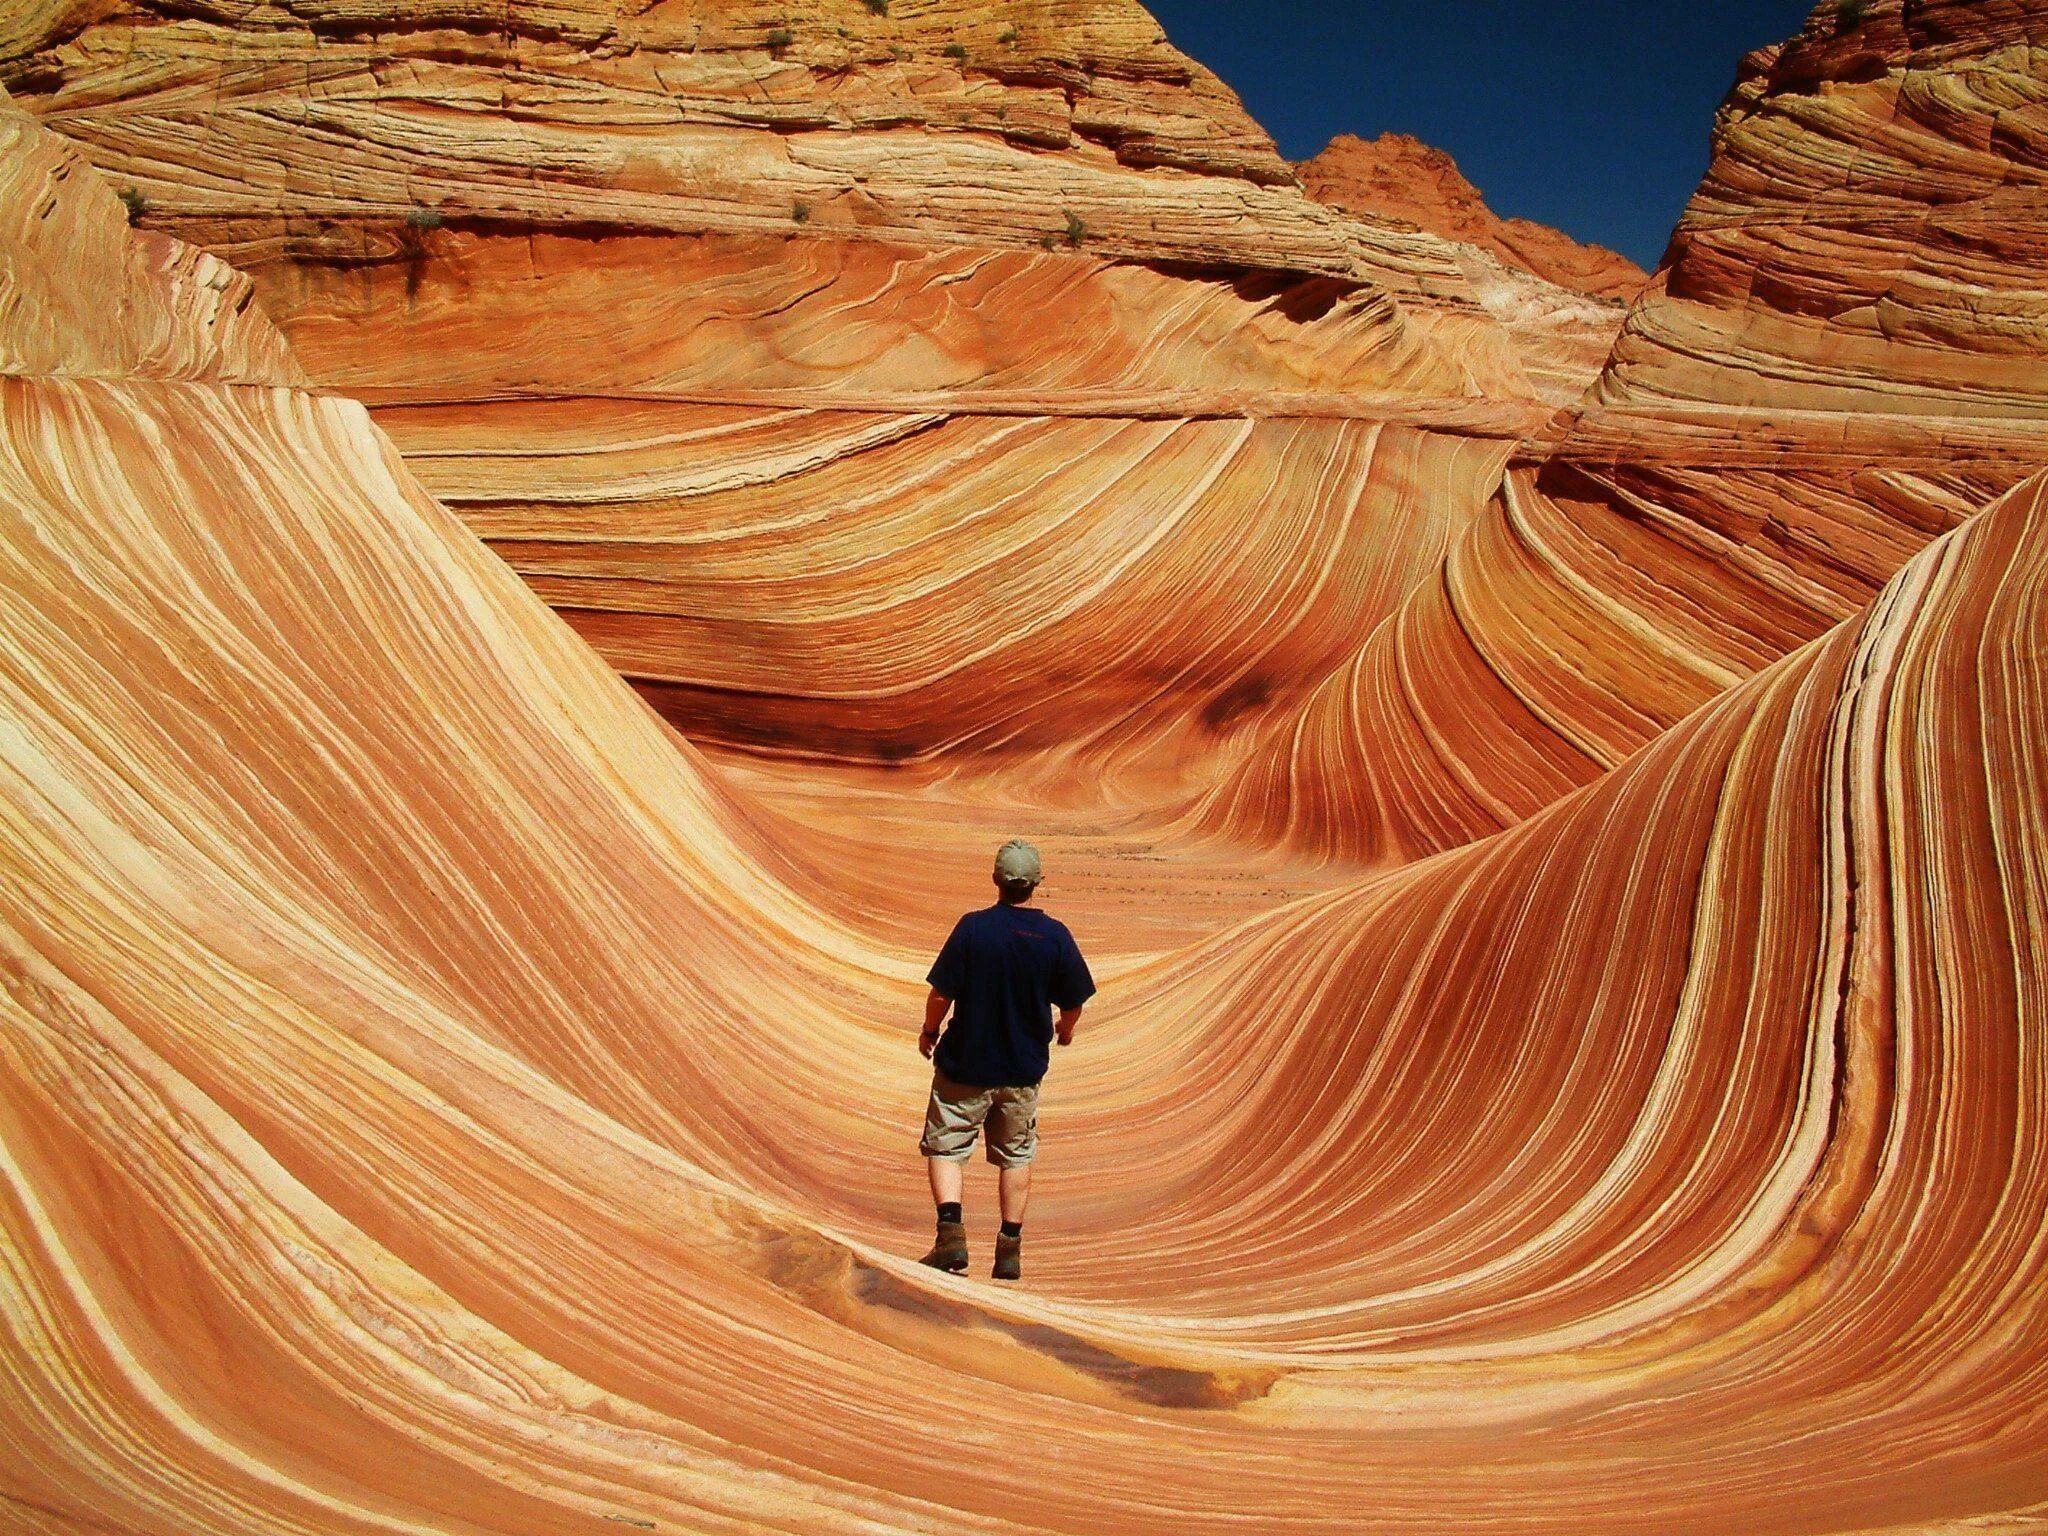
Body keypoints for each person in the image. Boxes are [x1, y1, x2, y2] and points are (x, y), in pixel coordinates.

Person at [916, 838, 1094, 1280]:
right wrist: (1064, 1031)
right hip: (1022, 1070)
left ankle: (951, 1239)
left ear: (996, 880)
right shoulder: (1054, 936)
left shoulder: (973, 928)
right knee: (1016, 1155)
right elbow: (1073, 1001)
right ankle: (1009, 1251)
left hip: (965, 1064)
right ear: (1037, 883)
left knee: (946, 1145)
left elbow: (941, 992)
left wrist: (930, 1030)